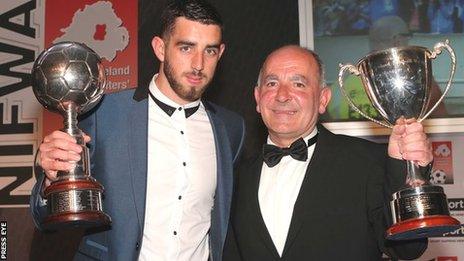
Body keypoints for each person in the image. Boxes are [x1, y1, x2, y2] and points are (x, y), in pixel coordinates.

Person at [29, 1, 245, 260]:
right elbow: (45, 218)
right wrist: (51, 180)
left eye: (209, 51)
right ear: (160, 48)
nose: (198, 64)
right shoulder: (103, 114)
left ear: (220, 53)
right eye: (186, 47)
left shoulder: (231, 129)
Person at [223, 45, 431, 260]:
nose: (282, 95)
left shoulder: (368, 163)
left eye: (298, 84)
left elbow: (408, 248)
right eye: (272, 83)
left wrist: (409, 167)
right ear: (258, 97)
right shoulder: (237, 177)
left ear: (323, 99)